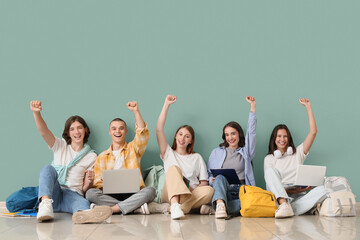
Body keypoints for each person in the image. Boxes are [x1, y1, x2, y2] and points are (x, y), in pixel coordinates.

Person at [30, 100, 112, 224]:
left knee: (82, 204)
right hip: (54, 193)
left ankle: (86, 213)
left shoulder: (92, 156)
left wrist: (89, 182)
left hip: (73, 194)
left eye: (79, 128)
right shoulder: (60, 145)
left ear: (85, 130)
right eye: (72, 129)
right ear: (68, 133)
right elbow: (44, 132)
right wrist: (36, 113)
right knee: (47, 168)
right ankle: (45, 206)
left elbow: (84, 189)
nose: (76, 132)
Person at [85, 101, 169, 215]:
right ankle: (134, 208)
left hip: (133, 193)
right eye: (114, 129)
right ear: (110, 132)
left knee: (150, 191)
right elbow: (98, 183)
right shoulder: (101, 157)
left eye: (121, 128)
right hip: (110, 195)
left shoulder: (133, 149)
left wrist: (136, 111)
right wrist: (108, 186)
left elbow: (142, 133)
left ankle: (114, 209)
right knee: (90, 193)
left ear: (126, 131)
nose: (117, 131)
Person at [264, 98, 326, 218]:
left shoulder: (298, 153)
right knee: (270, 171)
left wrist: (308, 107)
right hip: (281, 195)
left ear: (289, 138)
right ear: (274, 138)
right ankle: (285, 205)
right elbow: (271, 186)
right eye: (279, 136)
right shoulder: (269, 158)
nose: (282, 139)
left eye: (285, 136)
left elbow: (313, 132)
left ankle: (294, 209)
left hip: (299, 196)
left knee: (326, 188)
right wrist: (289, 191)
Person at [156, 95, 214, 220]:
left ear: (191, 141)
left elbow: (204, 182)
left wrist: (192, 188)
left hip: (190, 194)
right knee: (173, 169)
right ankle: (176, 204)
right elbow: (159, 129)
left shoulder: (197, 157)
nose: (182, 138)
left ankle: (177, 208)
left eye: (187, 136)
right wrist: (166, 104)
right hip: (170, 193)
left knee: (209, 191)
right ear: (176, 136)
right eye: (180, 134)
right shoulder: (168, 153)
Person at [207, 96, 257, 219]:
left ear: (239, 134)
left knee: (252, 202)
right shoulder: (216, 152)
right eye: (227, 135)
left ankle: (218, 207)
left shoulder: (246, 152)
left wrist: (252, 108)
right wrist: (211, 180)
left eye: (233, 133)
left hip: (242, 190)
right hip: (224, 190)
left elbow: (252, 133)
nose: (230, 137)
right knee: (219, 177)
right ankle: (220, 204)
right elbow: (209, 175)